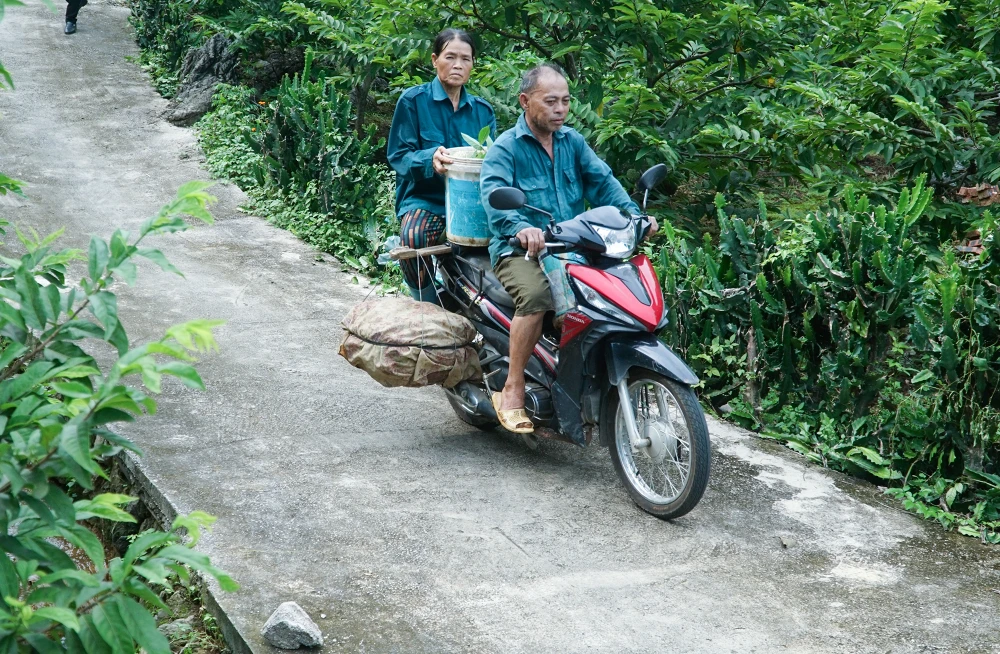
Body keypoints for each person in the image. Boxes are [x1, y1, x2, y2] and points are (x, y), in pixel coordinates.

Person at [480, 63, 654, 434]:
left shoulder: (573, 142)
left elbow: (604, 184)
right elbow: (495, 203)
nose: (561, 109)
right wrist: (521, 228)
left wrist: (636, 218)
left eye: (566, 101)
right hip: (519, 250)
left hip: (573, 244)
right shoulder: (505, 149)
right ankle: (512, 388)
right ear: (525, 101)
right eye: (551, 101)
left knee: (614, 292)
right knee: (538, 297)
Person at [386, 28, 496, 302]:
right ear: (435, 60)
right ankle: (425, 304)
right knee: (414, 235)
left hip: (472, 202)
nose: (458, 65)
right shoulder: (413, 101)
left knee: (505, 238)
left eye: (466, 59)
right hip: (426, 199)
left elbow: (493, 161)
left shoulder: (483, 111)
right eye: (450, 57)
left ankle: (484, 308)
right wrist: (429, 160)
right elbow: (399, 155)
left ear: (473, 64)